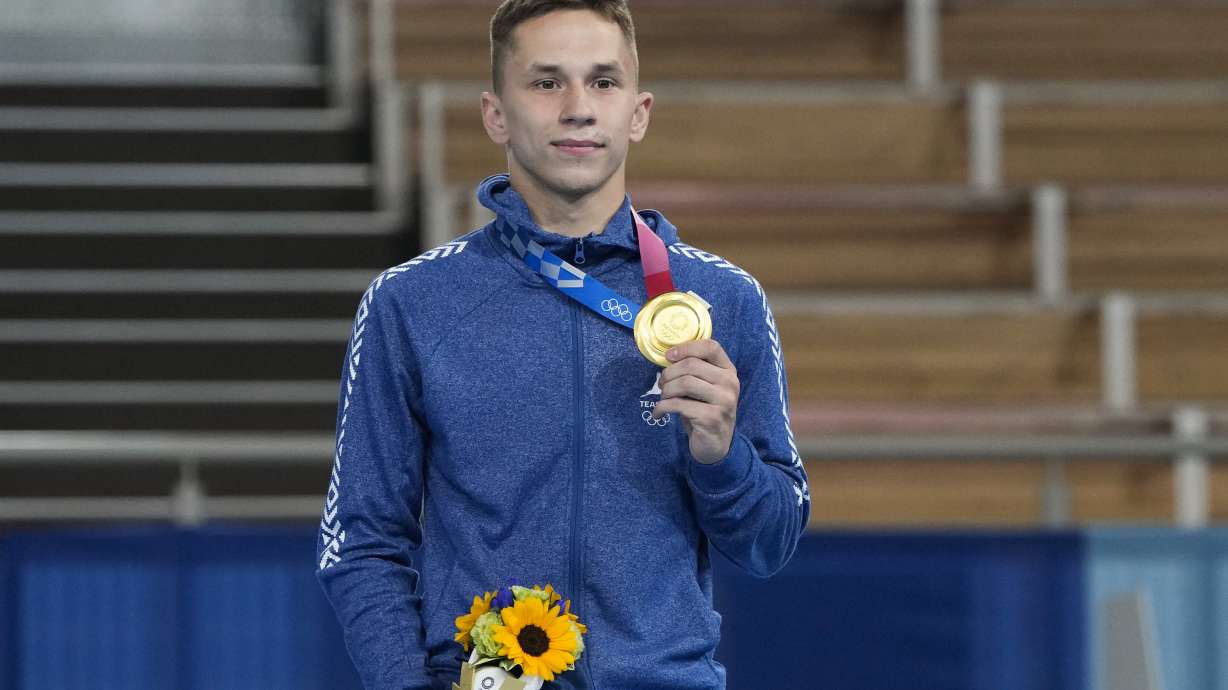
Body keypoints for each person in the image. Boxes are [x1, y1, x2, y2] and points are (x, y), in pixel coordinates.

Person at [315, 1, 810, 688]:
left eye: (603, 82)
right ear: (495, 113)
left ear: (638, 113)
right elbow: (361, 542)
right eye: (546, 82)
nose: (578, 108)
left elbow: (771, 543)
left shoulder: (721, 300)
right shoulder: (411, 304)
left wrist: (723, 457)